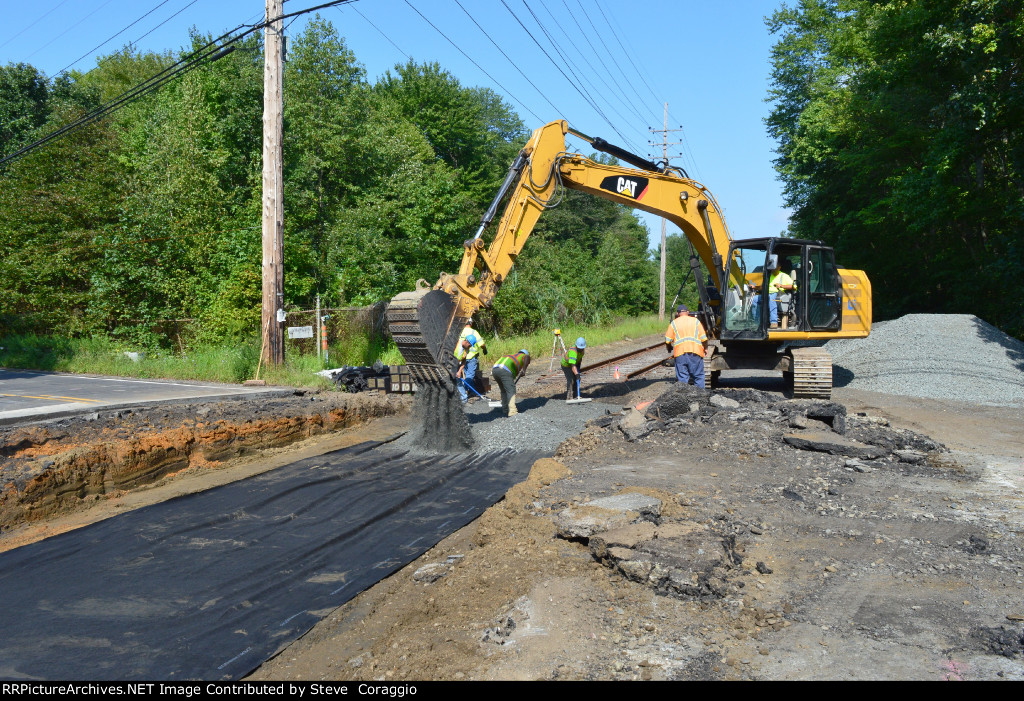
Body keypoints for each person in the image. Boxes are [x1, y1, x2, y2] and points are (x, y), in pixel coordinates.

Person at [665, 304, 708, 387]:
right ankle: (700, 397)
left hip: (680, 354)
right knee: (698, 377)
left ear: (678, 314)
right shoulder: (696, 321)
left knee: (682, 379)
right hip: (696, 352)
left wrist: (669, 348)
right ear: (688, 312)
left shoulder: (674, 323)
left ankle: (684, 398)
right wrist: (705, 348)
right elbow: (704, 339)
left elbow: (667, 341)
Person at [491, 349, 531, 416]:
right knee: (511, 391)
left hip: (495, 370)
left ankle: (505, 409)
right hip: (504, 370)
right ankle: (512, 411)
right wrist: (524, 370)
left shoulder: (511, 356)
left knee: (504, 391)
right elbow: (527, 357)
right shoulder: (523, 355)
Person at [454, 334, 485, 404]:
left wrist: (459, 371)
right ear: (467, 342)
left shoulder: (466, 349)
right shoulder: (455, 344)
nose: (470, 347)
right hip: (449, 365)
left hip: (456, 366)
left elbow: (464, 361)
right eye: (470, 345)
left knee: (458, 381)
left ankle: (463, 399)